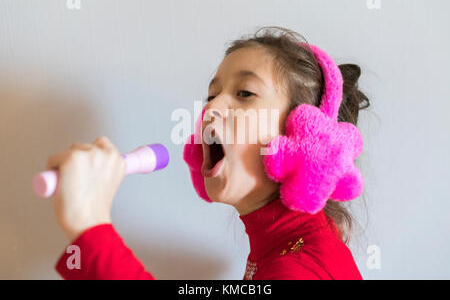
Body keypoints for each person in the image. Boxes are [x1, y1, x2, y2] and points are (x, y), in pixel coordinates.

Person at [49, 26, 369, 280]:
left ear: (305, 139)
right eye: (211, 95)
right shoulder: (283, 249)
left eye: (245, 93)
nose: (211, 108)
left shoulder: (299, 271)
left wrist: (90, 228)